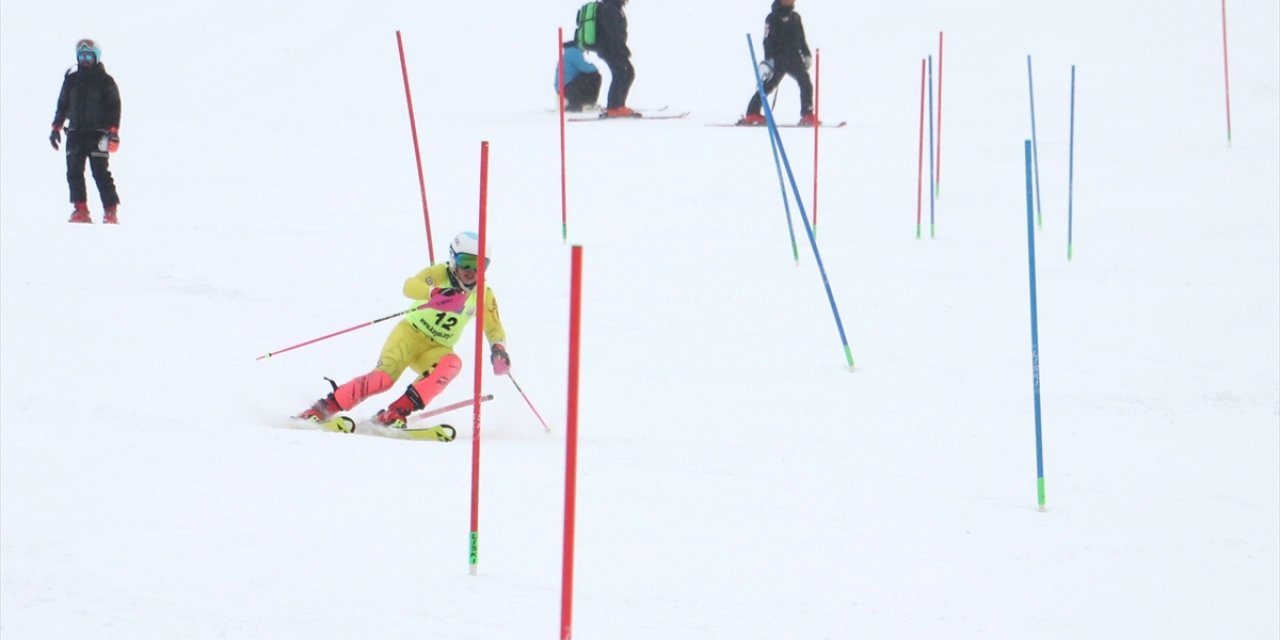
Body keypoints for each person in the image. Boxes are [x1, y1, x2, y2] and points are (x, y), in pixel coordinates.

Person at [297, 232, 512, 431]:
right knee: (382, 380)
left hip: (437, 348)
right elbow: (409, 286)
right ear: (453, 259)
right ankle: (323, 408)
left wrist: (498, 349)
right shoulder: (439, 273)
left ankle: (395, 413)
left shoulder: (483, 294)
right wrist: (434, 293)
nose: (471, 272)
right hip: (409, 335)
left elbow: (494, 327)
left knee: (453, 364)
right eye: (466, 263)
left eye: (480, 265)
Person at [50, 38, 123, 224]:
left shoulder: (105, 81)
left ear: (96, 58)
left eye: (88, 56)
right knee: (73, 171)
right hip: (75, 133)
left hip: (98, 133)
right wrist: (56, 127)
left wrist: (113, 132)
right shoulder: (71, 79)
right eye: (81, 56)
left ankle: (110, 211)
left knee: (100, 172)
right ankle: (80, 210)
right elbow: (62, 104)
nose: (84, 60)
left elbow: (114, 107)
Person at [737, 0, 818, 127]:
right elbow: (767, 40)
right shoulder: (772, 18)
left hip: (794, 58)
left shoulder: (795, 18)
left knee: (805, 83)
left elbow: (801, 39)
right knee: (768, 85)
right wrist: (769, 60)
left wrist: (806, 54)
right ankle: (752, 113)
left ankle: (807, 114)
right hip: (778, 58)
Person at [594, 0, 638, 118]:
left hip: (612, 48)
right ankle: (614, 107)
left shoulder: (614, 7)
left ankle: (618, 105)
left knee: (626, 72)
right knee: (622, 73)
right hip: (611, 48)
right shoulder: (610, 8)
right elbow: (612, 32)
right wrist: (621, 48)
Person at [555, 40, 602, 112]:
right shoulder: (574, 53)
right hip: (567, 86)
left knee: (584, 77)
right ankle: (588, 104)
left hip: (562, 87)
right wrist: (593, 67)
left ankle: (572, 105)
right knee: (595, 76)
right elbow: (585, 68)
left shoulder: (567, 54)